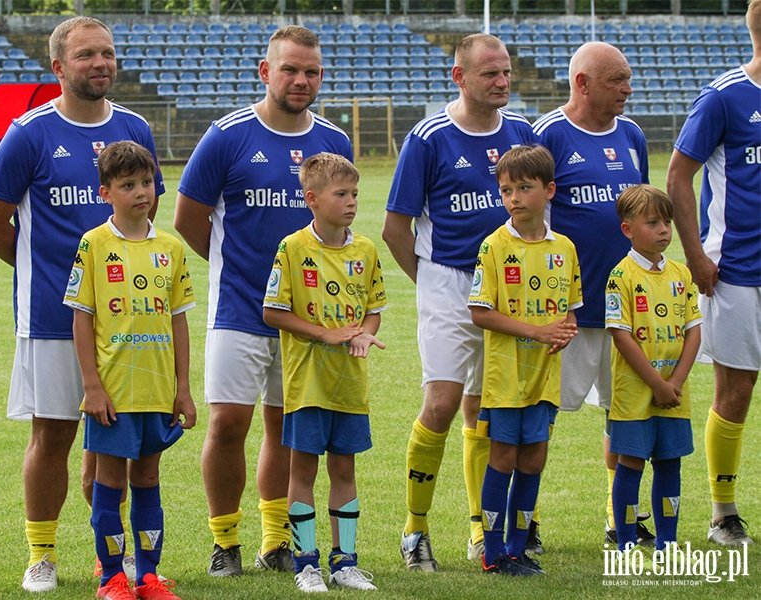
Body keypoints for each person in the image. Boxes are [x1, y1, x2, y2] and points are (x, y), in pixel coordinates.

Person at [0, 16, 163, 592]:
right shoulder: (29, 132)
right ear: (59, 67)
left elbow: (145, 217)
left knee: (121, 444)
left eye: (107, 53)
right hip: (53, 320)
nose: (100, 63)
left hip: (131, 326)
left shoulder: (135, 127)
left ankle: (119, 557)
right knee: (52, 436)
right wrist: (53, 277)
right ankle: (42, 555)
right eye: (86, 55)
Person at [174, 25, 353, 577]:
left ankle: (275, 539)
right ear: (265, 72)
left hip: (307, 321)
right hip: (238, 310)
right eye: (290, 69)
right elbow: (188, 219)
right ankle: (224, 541)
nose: (301, 80)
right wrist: (240, 269)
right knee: (228, 423)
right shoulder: (226, 136)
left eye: (312, 71)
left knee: (285, 428)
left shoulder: (335, 142)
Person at [382, 33, 537, 569]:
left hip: (508, 289)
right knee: (443, 404)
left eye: (506, 72)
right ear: (460, 77)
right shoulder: (429, 137)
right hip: (448, 284)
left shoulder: (522, 133)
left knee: (486, 412)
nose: (502, 82)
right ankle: (415, 529)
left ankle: (480, 528)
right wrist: (429, 282)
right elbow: (395, 228)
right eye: (490, 73)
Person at [64, 141, 194, 600]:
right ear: (106, 192)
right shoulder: (94, 244)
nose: (141, 193)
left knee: (149, 481)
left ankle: (148, 577)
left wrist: (184, 388)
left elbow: (178, 321)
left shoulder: (171, 248)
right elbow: (82, 317)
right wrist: (92, 386)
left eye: (146, 183)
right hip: (114, 395)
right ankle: (111, 579)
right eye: (127, 185)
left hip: (158, 392)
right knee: (110, 483)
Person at [533, 41, 651, 546]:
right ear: (582, 83)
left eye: (627, 79)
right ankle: (526, 518)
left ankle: (621, 517)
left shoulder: (632, 135)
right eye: (617, 80)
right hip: (567, 312)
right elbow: (522, 219)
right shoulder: (547, 135)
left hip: (625, 307)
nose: (628, 89)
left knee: (626, 416)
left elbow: (642, 215)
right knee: (540, 416)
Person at [262, 152, 386, 592]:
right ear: (312, 199)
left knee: (345, 470)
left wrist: (363, 335)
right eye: (341, 194)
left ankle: (345, 561)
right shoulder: (293, 248)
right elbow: (273, 311)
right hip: (307, 386)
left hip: (350, 386)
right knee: (304, 472)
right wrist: (324, 333)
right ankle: (306, 563)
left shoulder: (366, 250)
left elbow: (373, 311)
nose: (351, 201)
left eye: (354, 193)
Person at [666, 0, 761, 547]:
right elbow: (680, 176)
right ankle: (723, 512)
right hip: (738, 271)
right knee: (737, 390)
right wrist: (697, 255)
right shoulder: (725, 96)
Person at [468, 144, 581, 575]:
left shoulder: (564, 248)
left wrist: (565, 330)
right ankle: (493, 554)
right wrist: (537, 331)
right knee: (503, 459)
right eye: (505, 190)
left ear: (549, 190)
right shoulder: (494, 246)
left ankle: (518, 548)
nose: (513, 198)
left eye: (524, 188)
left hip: (544, 377)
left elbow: (571, 307)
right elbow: (480, 311)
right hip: (506, 377)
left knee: (534, 458)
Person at [605, 185, 702, 553]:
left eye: (667, 222)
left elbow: (694, 331)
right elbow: (621, 336)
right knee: (631, 462)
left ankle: (667, 543)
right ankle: (626, 543)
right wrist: (656, 384)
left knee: (669, 461)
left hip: (674, 392)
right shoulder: (621, 276)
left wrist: (674, 382)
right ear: (628, 229)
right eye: (652, 223)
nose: (663, 229)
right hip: (634, 395)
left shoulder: (681, 273)